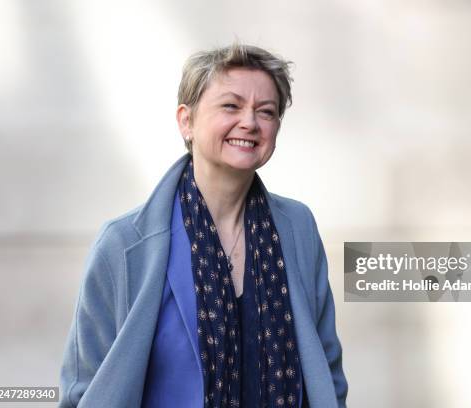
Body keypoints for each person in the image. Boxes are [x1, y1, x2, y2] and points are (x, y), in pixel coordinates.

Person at [59, 43, 348, 408]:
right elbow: (82, 388)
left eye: (267, 111)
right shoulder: (123, 245)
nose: (250, 122)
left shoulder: (298, 228)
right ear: (187, 120)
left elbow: (327, 369)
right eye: (231, 105)